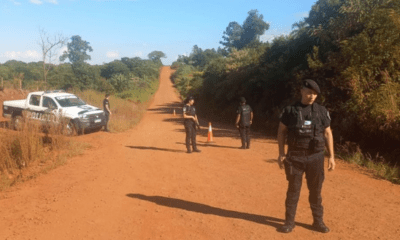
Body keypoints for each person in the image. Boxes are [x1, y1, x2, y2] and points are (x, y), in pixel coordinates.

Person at [277, 79, 335, 233]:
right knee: (293, 190)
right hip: (295, 157)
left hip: (315, 157)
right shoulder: (290, 110)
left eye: (315, 94)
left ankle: (318, 222)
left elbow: (328, 133)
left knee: (315, 191)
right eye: (309, 92)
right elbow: (281, 131)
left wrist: (332, 157)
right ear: (301, 91)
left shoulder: (321, 111)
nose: (312, 96)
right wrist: (281, 153)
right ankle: (289, 222)